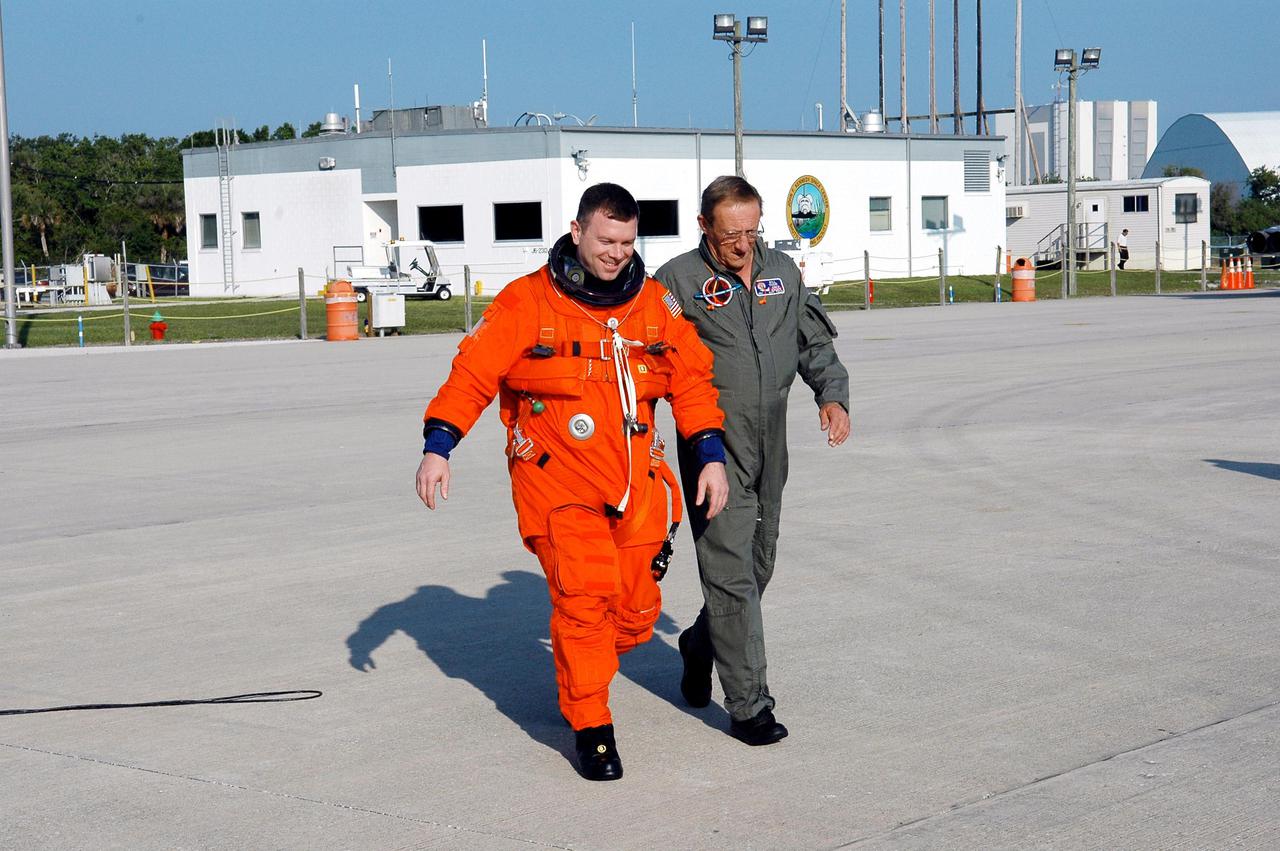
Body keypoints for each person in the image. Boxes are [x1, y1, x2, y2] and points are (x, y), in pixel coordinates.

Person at [415, 183, 729, 781]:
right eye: (606, 240)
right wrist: (439, 447)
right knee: (583, 599)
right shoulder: (526, 302)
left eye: (627, 243)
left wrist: (709, 454)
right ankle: (591, 726)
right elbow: (472, 375)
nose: (616, 253)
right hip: (556, 479)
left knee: (635, 610)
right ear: (577, 230)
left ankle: (584, 662)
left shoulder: (654, 305)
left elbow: (692, 381)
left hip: (636, 479)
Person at [654, 175, 850, 746]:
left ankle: (699, 644)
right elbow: (650, 359)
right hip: (712, 446)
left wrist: (832, 394)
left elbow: (812, 340)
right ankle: (749, 706)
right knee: (730, 571)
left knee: (759, 562)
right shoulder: (676, 282)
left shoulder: (781, 272)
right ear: (704, 226)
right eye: (730, 235)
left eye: (752, 232)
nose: (743, 245)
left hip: (771, 441)